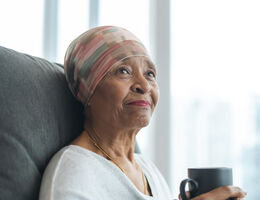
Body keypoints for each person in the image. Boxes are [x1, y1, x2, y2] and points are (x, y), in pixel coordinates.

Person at [39, 26, 246, 200]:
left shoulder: (148, 169)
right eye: (123, 71)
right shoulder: (73, 174)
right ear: (88, 90)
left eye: (149, 74)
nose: (144, 86)